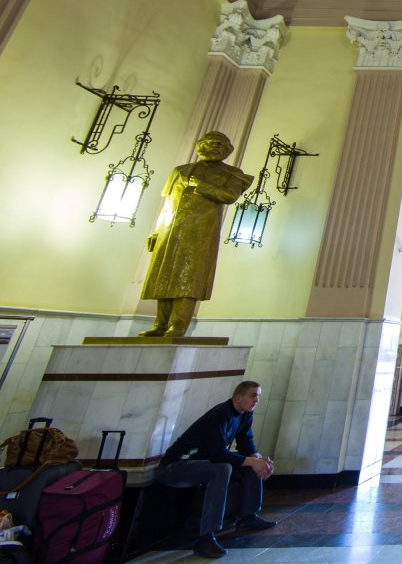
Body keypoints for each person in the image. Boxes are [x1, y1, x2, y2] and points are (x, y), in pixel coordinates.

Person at [138, 131, 253, 338]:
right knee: (163, 276)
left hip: (200, 232)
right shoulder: (180, 171)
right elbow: (167, 203)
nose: (213, 147)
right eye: (209, 143)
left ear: (228, 150)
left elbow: (229, 196)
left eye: (219, 144)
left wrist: (200, 185)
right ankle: (160, 325)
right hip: (171, 229)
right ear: (199, 145)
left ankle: (178, 326)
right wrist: (157, 230)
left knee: (191, 278)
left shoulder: (232, 174)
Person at [154, 380, 276, 558]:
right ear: (237, 397)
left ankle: (248, 516)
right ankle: (205, 537)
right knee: (222, 469)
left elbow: (246, 442)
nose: (256, 400)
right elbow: (217, 454)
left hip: (205, 464)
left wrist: (259, 459)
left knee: (250, 462)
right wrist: (251, 461)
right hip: (174, 468)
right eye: (253, 395)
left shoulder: (245, 414)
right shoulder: (221, 414)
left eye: (258, 396)